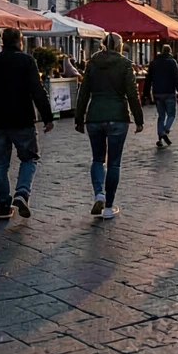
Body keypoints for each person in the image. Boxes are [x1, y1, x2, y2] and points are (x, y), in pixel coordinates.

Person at [0, 28, 54, 220]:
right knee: (29, 158)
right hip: (22, 118)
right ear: (20, 41)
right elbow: (37, 90)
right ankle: (22, 192)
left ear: (2, 41)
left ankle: (3, 205)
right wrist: (47, 116)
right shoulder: (27, 61)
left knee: (0, 164)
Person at [75, 33, 144, 220]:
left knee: (97, 159)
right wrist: (139, 119)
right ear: (120, 46)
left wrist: (79, 118)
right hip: (118, 116)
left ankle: (99, 194)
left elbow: (83, 93)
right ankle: (109, 206)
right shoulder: (124, 64)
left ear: (103, 45)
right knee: (114, 162)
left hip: (95, 115)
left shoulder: (92, 63)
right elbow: (132, 94)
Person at [146, 44, 178, 148]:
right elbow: (176, 77)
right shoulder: (172, 62)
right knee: (171, 114)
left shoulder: (154, 63)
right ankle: (165, 130)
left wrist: (146, 93)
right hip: (169, 92)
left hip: (157, 92)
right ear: (170, 51)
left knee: (161, 116)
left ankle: (160, 139)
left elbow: (149, 79)